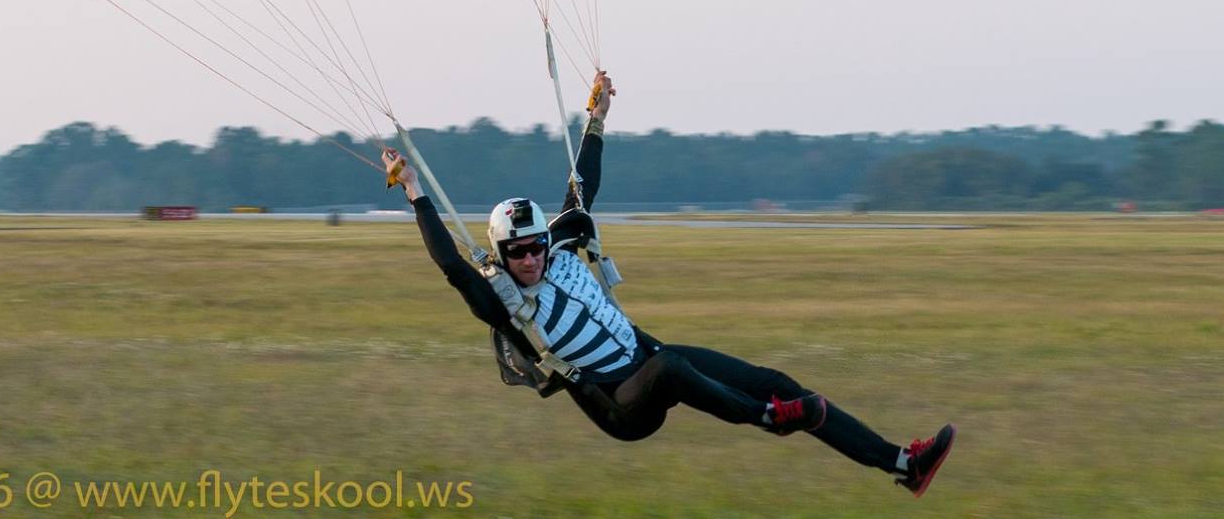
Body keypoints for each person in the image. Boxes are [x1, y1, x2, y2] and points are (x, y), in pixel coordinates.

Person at [382, 70, 954, 499]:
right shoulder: (502, 300)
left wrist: (598, 117)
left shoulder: (556, 248)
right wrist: (415, 193)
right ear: (503, 253)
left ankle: (903, 464)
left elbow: (583, 185)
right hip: (619, 405)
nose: (530, 258)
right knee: (678, 373)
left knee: (774, 381)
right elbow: (453, 267)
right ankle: (765, 421)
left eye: (536, 246)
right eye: (518, 252)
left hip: (646, 353)